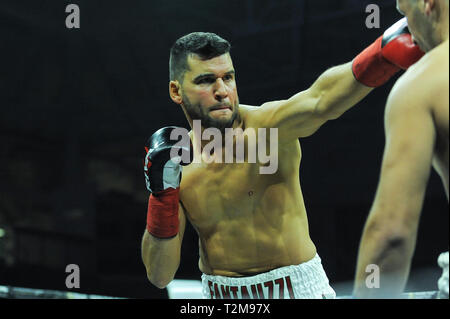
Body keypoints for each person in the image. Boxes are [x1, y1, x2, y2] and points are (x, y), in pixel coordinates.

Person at [141, 18, 423, 299]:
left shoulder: (267, 128)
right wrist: (161, 198)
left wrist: (380, 56)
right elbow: (159, 275)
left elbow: (320, 101)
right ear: (176, 91)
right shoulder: (175, 161)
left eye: (228, 77)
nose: (222, 91)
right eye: (205, 80)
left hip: (295, 290)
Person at [354, 0, 449, 299]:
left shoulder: (422, 83)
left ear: (427, 4)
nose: (407, 28)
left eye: (404, 13)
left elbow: (391, 235)